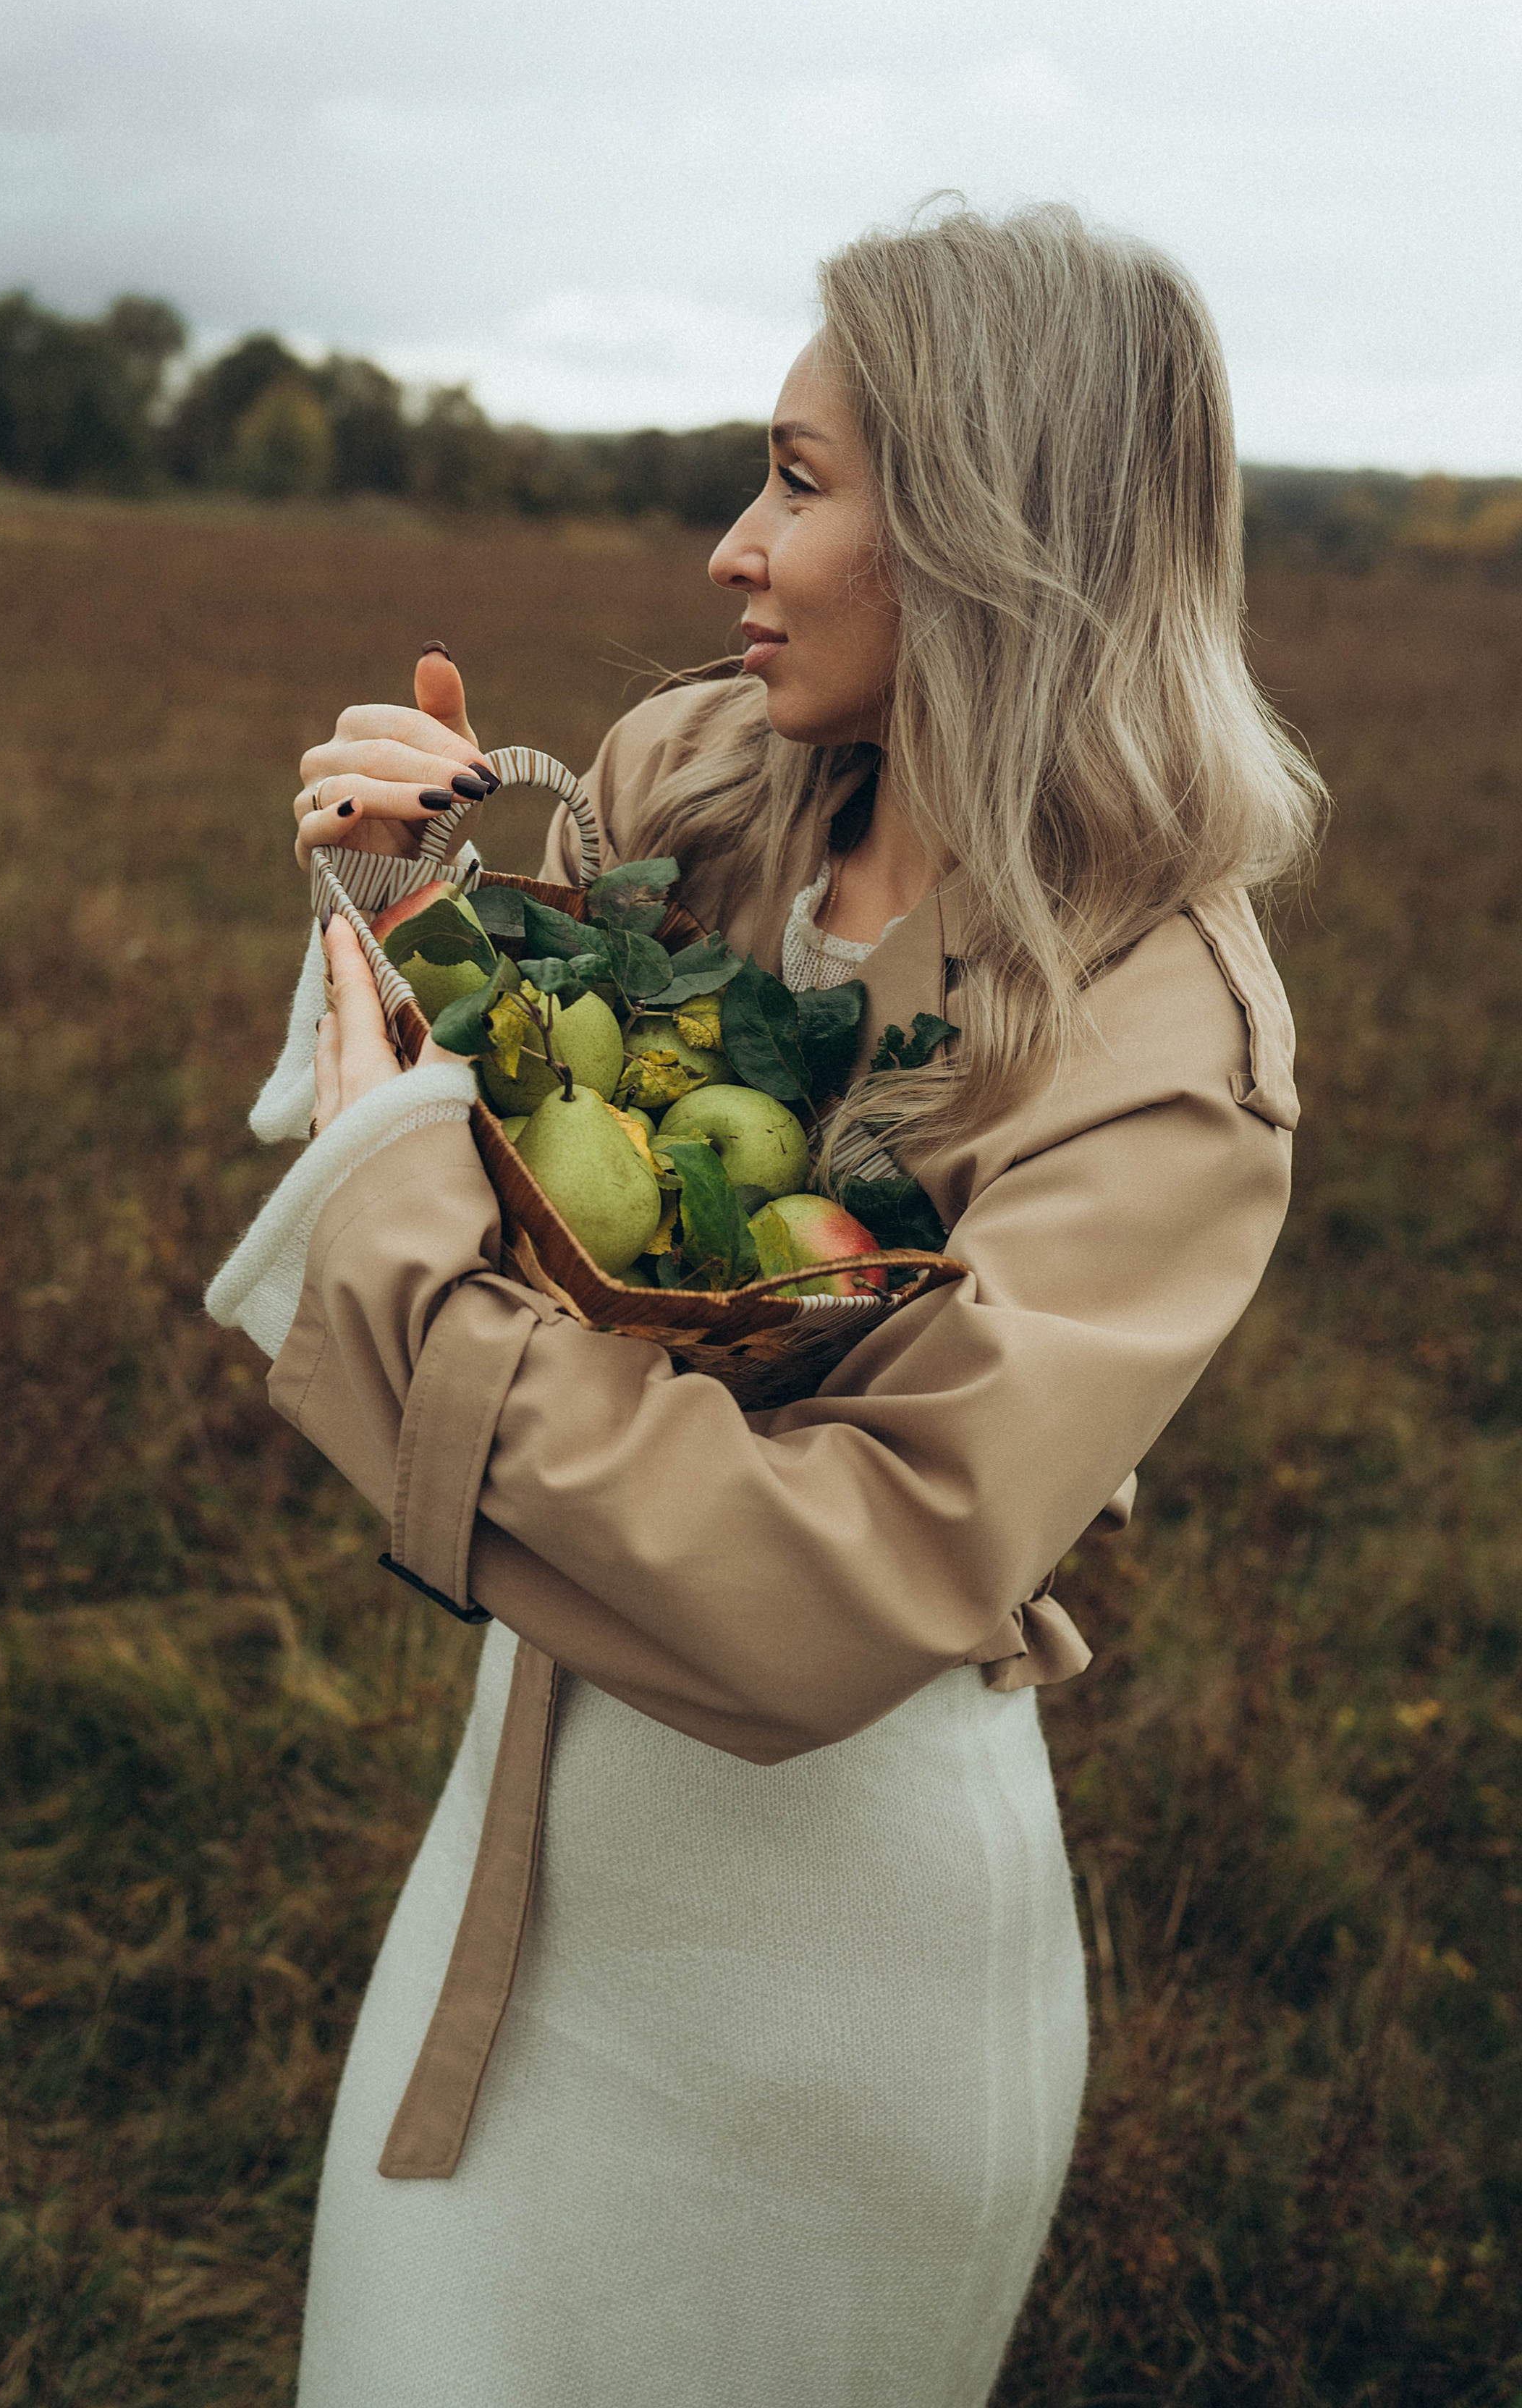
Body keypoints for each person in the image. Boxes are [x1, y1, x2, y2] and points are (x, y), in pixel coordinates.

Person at [206, 203, 1324, 2408]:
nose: (732, 547)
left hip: (850, 1971)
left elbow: (844, 1579)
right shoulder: (684, 788)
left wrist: (395, 1218)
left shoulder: (1167, 1048)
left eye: (801, 485)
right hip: (527, 1841)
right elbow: (549, 1167)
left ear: (997, 535)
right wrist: (413, 911)